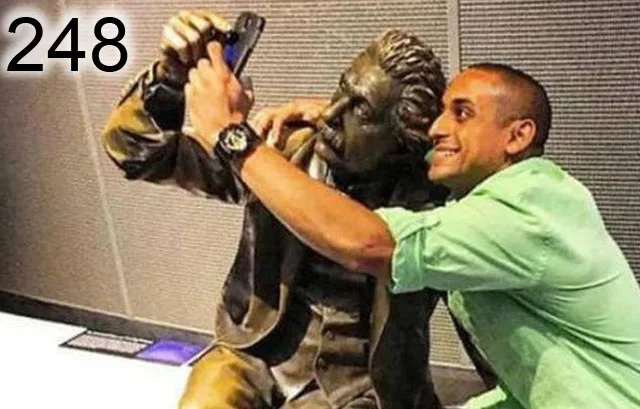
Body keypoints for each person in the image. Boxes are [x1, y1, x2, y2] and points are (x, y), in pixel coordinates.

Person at [183, 35, 640, 408]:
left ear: (518, 135)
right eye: (440, 113)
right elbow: (153, 153)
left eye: (462, 114)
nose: (437, 128)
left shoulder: (528, 208)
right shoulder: (490, 191)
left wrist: (230, 135)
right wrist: (342, 112)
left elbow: (370, 243)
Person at [102, 11, 494, 409]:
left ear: (402, 136)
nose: (331, 115)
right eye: (341, 90)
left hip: (358, 388)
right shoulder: (279, 153)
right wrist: (171, 76)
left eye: (360, 111)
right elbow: (134, 150)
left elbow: (486, 319)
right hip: (253, 353)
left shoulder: (433, 203)